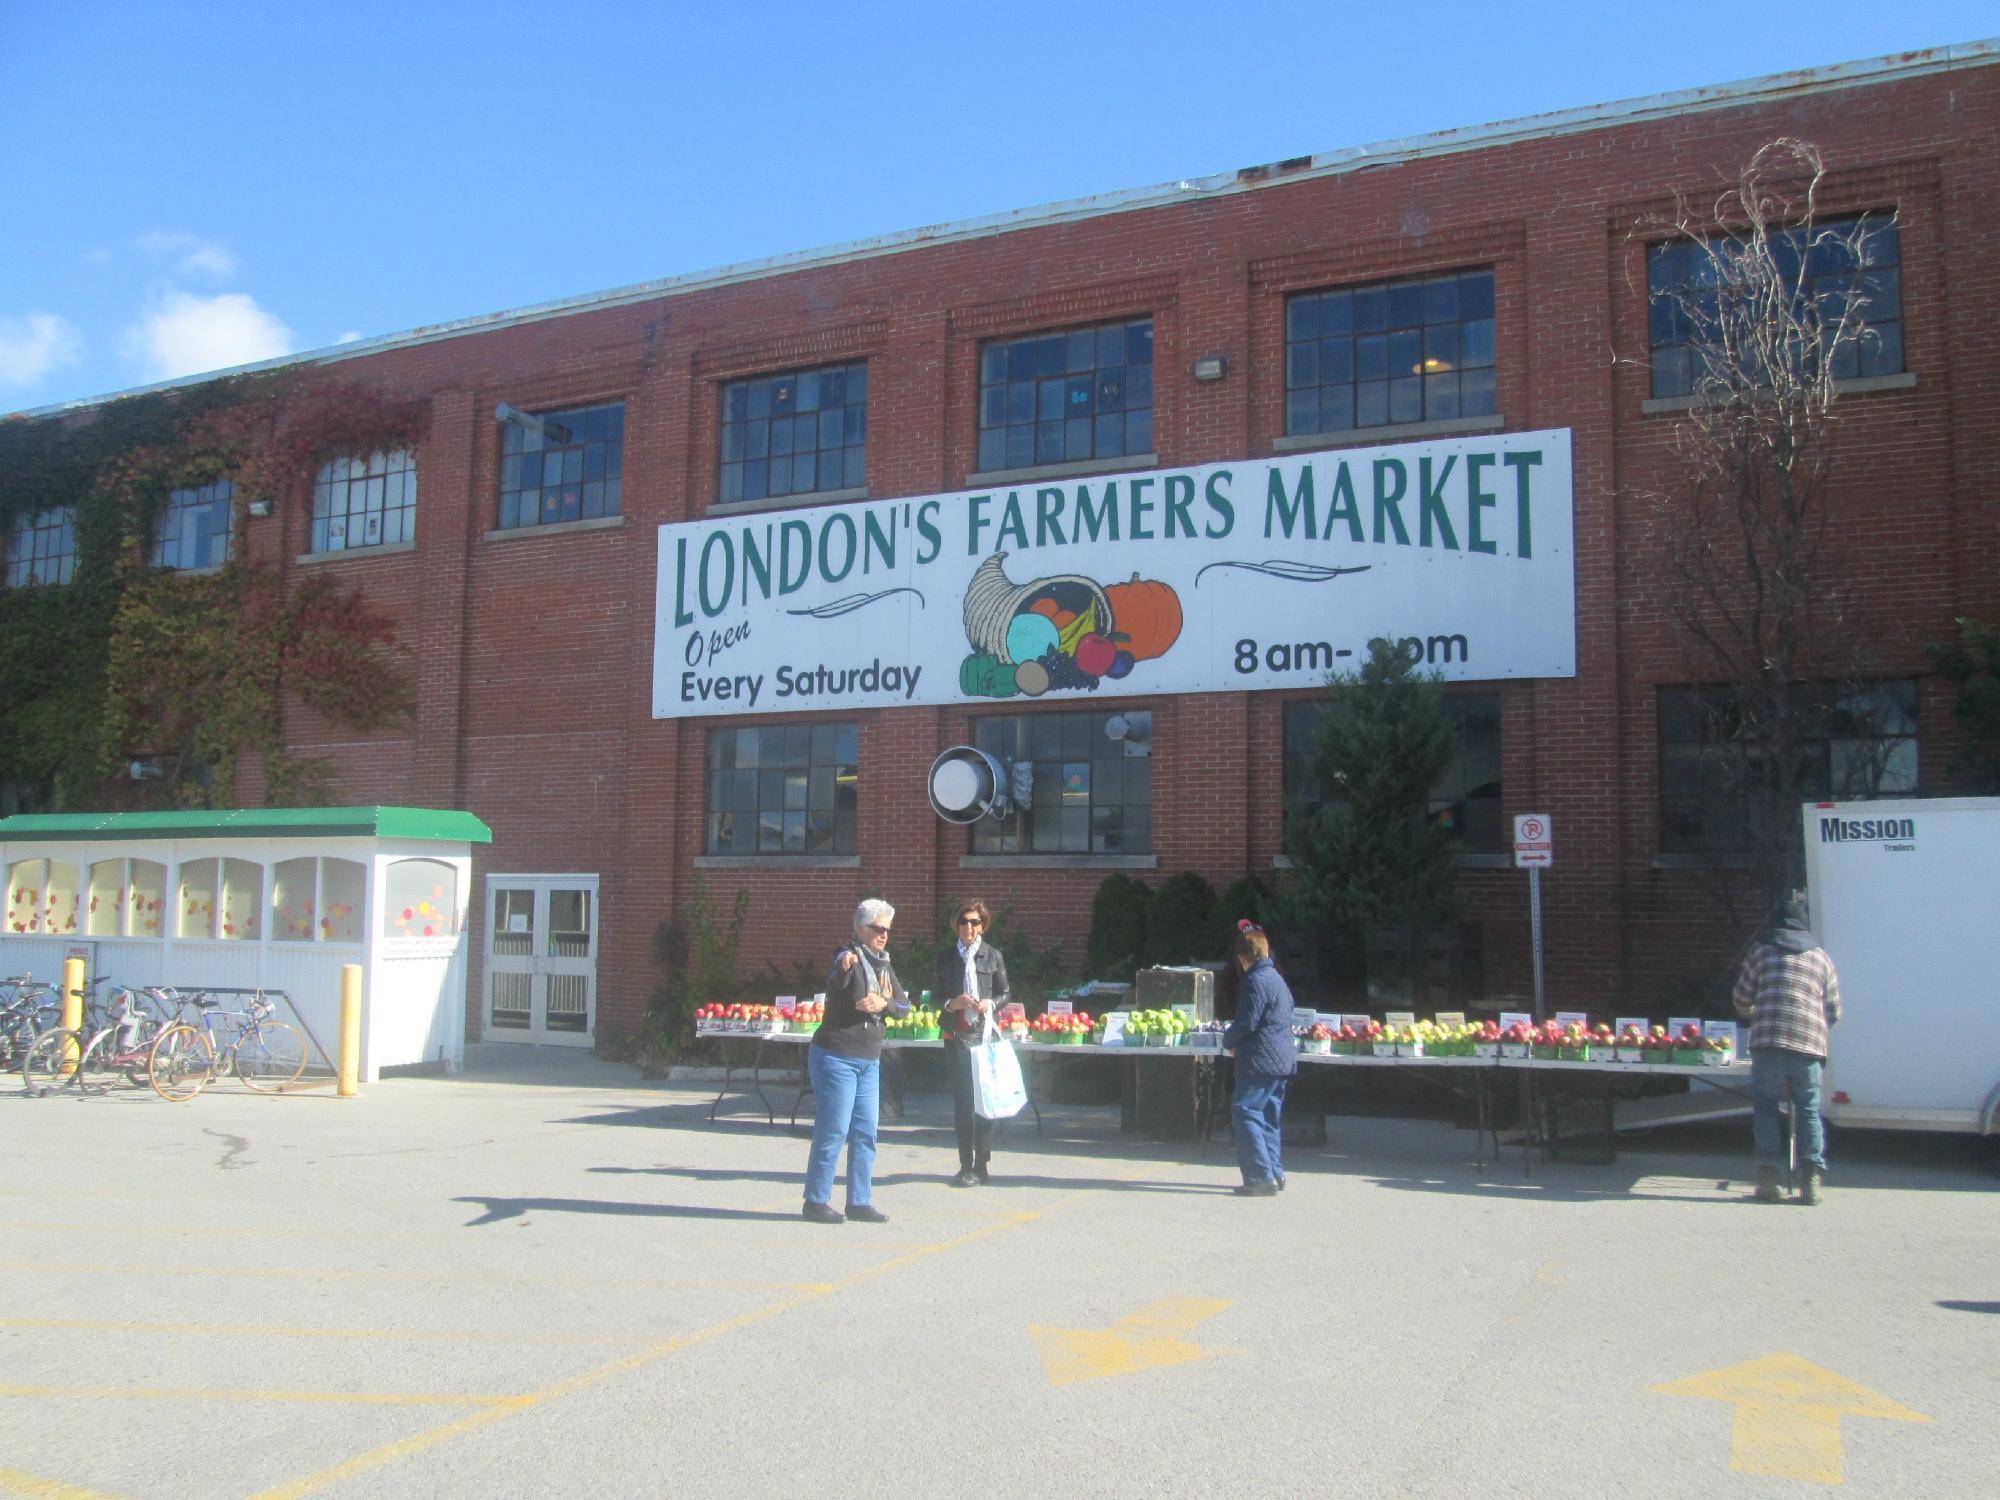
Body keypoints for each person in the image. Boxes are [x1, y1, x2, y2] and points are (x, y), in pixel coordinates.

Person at [1733, 890, 1843, 1206]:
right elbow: (1834, 1009)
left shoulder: (1761, 953)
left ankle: (1769, 1180)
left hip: (1767, 1042)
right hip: (1809, 1045)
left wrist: (1750, 1013)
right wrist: (1816, 1029)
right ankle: (1811, 1181)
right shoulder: (1821, 958)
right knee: (1808, 1108)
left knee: (1766, 1107)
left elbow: (1741, 997)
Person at [803, 898, 909, 1224]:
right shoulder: (847, 956)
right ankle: (816, 1201)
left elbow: (904, 1006)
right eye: (877, 929)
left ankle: (859, 1202)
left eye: (887, 930)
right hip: (837, 1057)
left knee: (865, 1132)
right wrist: (843, 965)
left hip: (869, 1061)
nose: (884, 935)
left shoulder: (884, 965)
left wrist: (884, 1002)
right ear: (861, 929)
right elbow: (836, 979)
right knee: (834, 1129)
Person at [933, 898, 1012, 1186]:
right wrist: (951, 1003)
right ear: (956, 925)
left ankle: (982, 1165)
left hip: (984, 1036)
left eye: (974, 922)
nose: (968, 927)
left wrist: (990, 1003)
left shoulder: (993, 956)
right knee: (963, 1102)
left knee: (984, 1101)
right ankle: (965, 1165)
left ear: (983, 926)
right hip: (956, 1036)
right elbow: (934, 998)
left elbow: (1006, 993)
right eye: (963, 921)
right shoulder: (945, 958)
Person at [1221, 919, 1296, 1197]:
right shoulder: (1277, 978)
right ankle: (1275, 1173)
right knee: (1269, 1117)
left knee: (1246, 1111)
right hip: (1282, 1058)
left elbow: (1246, 1022)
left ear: (1243, 957)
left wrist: (1227, 1041)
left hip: (1258, 1059)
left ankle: (1260, 1177)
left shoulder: (1254, 981)